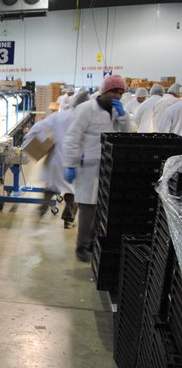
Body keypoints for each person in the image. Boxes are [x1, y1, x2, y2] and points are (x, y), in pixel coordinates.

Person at [63, 75, 132, 262]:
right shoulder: (86, 109)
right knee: (88, 208)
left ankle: (93, 244)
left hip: (108, 165)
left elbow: (127, 133)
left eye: (120, 93)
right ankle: (82, 247)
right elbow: (72, 137)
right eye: (114, 92)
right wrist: (70, 164)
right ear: (104, 91)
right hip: (89, 166)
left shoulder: (117, 111)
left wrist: (123, 117)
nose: (117, 96)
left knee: (102, 208)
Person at [25, 89, 89, 229]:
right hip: (74, 162)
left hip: (55, 159)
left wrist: (33, 140)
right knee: (73, 192)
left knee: (51, 187)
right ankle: (68, 220)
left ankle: (41, 211)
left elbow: (37, 128)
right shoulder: (86, 120)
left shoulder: (59, 116)